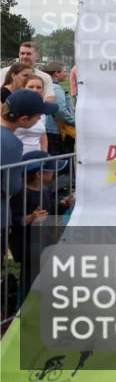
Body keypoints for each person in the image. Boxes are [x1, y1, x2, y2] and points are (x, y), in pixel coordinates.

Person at [1, 90, 58, 270]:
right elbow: (11, 185)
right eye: (38, 117)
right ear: (24, 119)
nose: (39, 120)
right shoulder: (11, 142)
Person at [9, 150, 73, 289]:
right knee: (30, 280)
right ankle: (25, 306)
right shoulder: (21, 194)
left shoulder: (45, 190)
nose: (55, 174)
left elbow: (49, 212)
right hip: (27, 247)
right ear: (39, 174)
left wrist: (62, 205)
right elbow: (14, 220)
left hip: (44, 243)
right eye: (52, 171)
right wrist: (30, 217)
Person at [41, 62, 75, 156]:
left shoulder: (45, 86)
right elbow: (61, 111)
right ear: (56, 73)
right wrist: (74, 122)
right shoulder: (56, 88)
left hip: (48, 128)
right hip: (57, 131)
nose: (66, 74)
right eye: (64, 71)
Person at [15, 75, 49, 153]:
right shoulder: (15, 106)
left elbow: (43, 134)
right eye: (31, 87)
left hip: (37, 158)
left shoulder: (42, 109)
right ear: (23, 88)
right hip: (17, 159)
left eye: (38, 87)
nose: (35, 90)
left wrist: (44, 153)